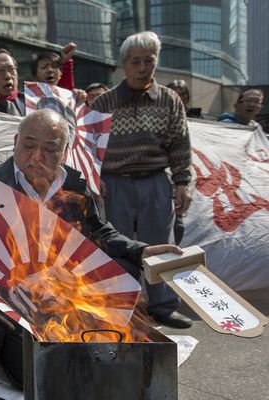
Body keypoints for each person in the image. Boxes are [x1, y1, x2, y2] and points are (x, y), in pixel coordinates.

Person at [0, 108, 183, 388]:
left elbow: (97, 230)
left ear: (65, 151)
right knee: (41, 378)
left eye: (50, 149)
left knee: (127, 272)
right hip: (18, 306)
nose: (37, 156)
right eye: (28, 145)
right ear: (14, 141)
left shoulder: (72, 184)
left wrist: (140, 250)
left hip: (70, 291)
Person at [91, 31, 193, 329]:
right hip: (114, 182)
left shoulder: (170, 100)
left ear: (156, 62)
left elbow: (180, 144)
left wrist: (182, 182)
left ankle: (163, 306)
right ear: (124, 64)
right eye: (135, 61)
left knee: (161, 245)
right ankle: (125, 307)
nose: (142, 67)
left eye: (149, 60)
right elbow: (88, 146)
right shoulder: (104, 102)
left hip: (154, 181)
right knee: (119, 246)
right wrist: (95, 179)